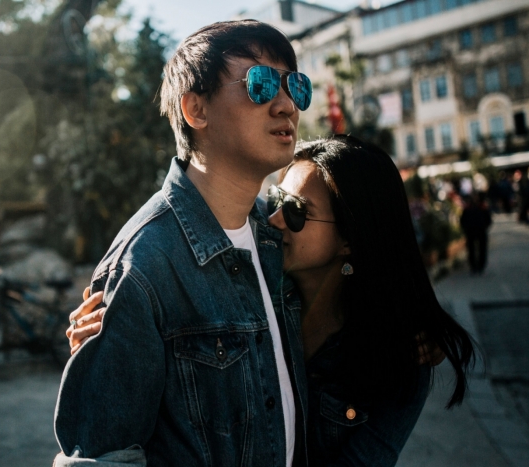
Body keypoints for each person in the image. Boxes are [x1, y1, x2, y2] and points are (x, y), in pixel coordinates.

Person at [68, 135, 475, 466]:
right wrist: (119, 333)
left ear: (351, 239)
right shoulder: (253, 288)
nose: (275, 220)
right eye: (276, 201)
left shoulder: (402, 359)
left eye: (297, 211)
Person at [54, 20, 313, 466]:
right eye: (261, 83)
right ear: (196, 109)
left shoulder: (281, 237)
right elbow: (102, 456)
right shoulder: (145, 266)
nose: (286, 105)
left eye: (295, 86)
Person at [460, 192, 493, 275]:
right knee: (474, 249)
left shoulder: (480, 207)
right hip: (474, 230)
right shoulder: (474, 207)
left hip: (476, 230)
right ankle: (476, 266)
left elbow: (488, 219)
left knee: (477, 249)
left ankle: (478, 266)